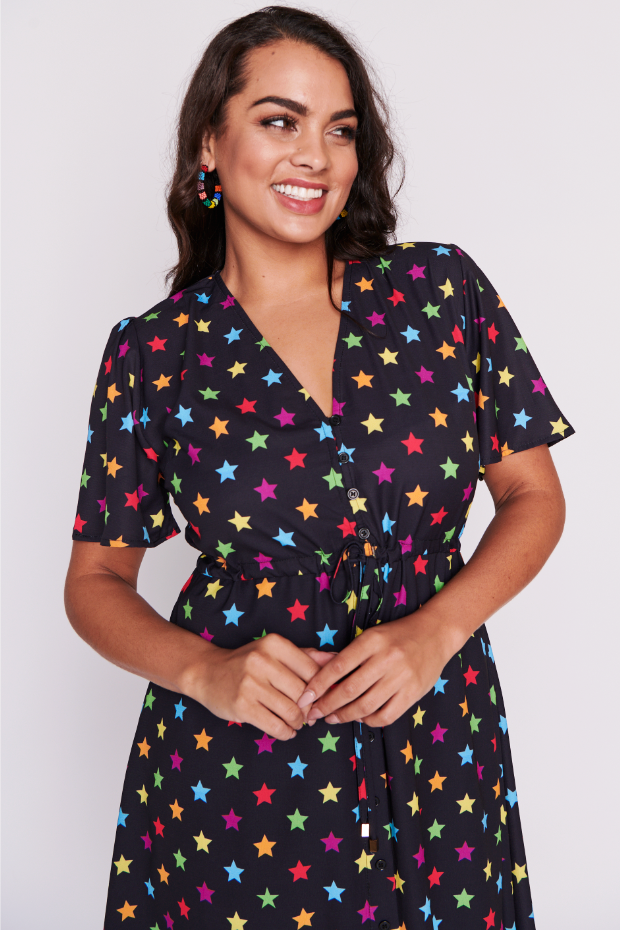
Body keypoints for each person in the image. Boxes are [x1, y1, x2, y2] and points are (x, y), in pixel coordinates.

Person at [65, 7, 574, 928]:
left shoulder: (440, 292)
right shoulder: (155, 353)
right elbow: (95, 581)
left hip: (438, 741)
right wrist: (204, 672)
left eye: (340, 130)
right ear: (209, 143)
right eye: (279, 120)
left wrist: (438, 629)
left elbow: (533, 496)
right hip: (243, 773)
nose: (316, 156)